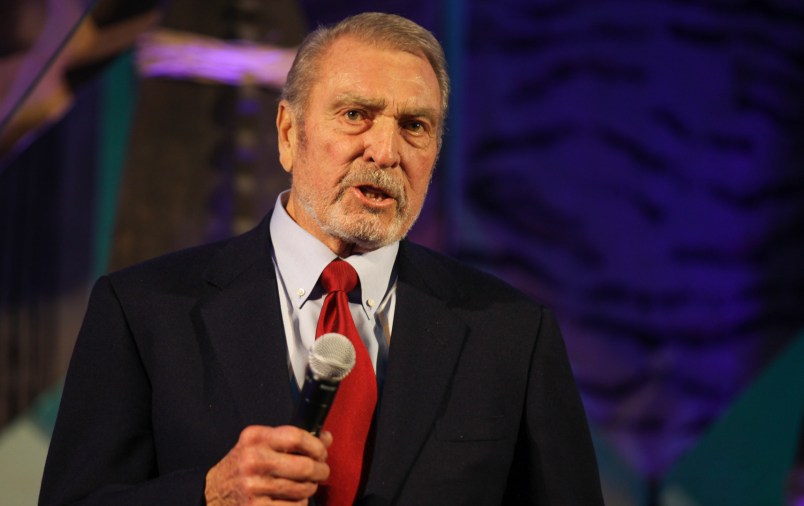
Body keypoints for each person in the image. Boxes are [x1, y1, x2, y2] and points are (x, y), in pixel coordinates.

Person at [39, 12, 604, 506]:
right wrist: (209, 495)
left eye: (415, 126)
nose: (385, 152)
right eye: (356, 114)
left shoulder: (511, 335)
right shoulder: (144, 311)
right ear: (289, 132)